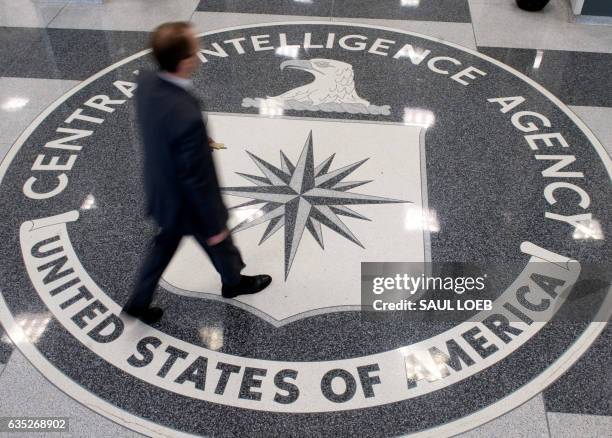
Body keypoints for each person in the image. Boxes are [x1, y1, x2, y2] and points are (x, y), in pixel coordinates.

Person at [123, 21, 271, 324]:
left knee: (163, 246)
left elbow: (160, 127)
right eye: (195, 50)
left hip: (160, 188)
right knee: (219, 240)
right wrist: (214, 220)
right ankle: (234, 283)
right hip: (188, 202)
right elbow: (196, 177)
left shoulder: (147, 82)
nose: (199, 54)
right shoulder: (186, 116)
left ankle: (138, 301)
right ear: (184, 61)